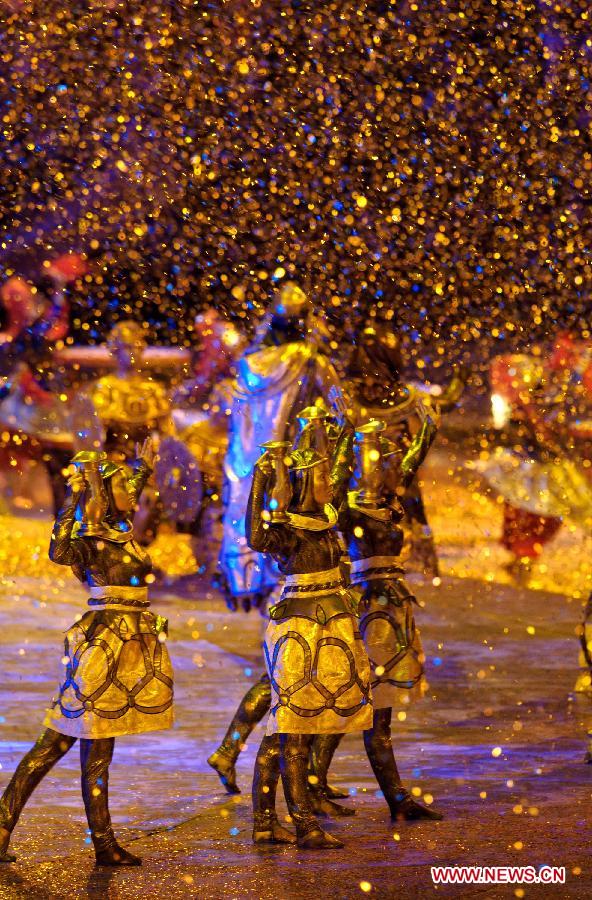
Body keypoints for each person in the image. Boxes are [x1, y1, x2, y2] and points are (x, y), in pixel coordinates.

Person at [0, 438, 173, 866]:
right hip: (102, 646)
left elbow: (127, 494)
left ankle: (102, 843)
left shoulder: (121, 532)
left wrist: (142, 467)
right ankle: (7, 822)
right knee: (60, 741)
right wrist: (77, 492)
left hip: (126, 643)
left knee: (96, 749)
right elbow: (58, 551)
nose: (130, 495)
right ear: (100, 496)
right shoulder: (90, 540)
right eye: (120, 489)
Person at [310, 408, 443, 822]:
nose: (384, 470)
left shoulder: (389, 503)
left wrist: (427, 432)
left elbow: (407, 465)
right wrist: (345, 437)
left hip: (392, 611)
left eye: (384, 462)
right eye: (375, 463)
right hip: (367, 612)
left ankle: (388, 797)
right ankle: (320, 788)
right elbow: (332, 484)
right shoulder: (346, 510)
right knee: (356, 704)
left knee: (372, 708)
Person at [247, 413, 372, 849]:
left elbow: (340, 477)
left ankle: (265, 821)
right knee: (291, 727)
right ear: (300, 485)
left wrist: (343, 436)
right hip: (299, 628)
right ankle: (304, 825)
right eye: (316, 480)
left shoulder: (325, 519)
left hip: (330, 626)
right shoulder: (287, 532)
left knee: (285, 728)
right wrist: (260, 483)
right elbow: (256, 537)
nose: (326, 486)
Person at [346, 323, 465, 577]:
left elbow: (444, 403)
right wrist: (459, 381)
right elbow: (446, 402)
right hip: (389, 468)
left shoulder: (359, 397)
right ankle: (421, 564)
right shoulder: (395, 396)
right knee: (409, 508)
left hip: (382, 469)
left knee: (404, 509)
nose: (370, 385)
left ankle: (416, 562)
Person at [92, 321, 173, 543]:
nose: (133, 352)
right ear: (115, 350)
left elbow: (168, 436)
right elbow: (94, 434)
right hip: (112, 461)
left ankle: (137, 548)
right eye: (127, 347)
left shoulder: (153, 390)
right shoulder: (106, 388)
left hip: (144, 462)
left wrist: (163, 464)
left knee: (149, 498)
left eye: (137, 346)